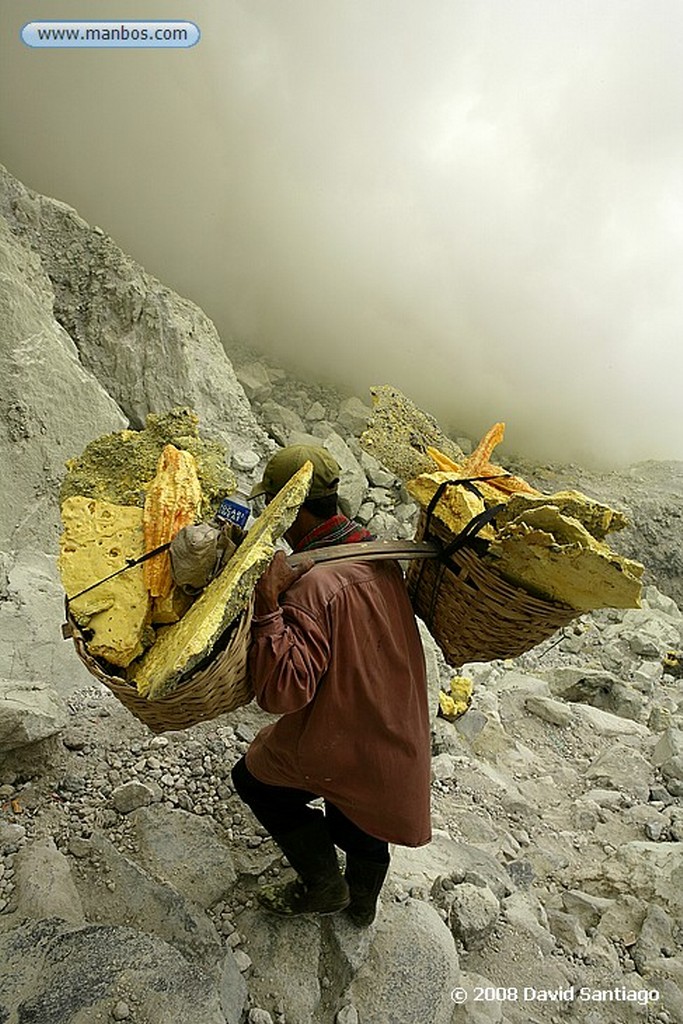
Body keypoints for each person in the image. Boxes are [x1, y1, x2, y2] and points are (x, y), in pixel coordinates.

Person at [231, 444, 431, 926]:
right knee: (364, 811)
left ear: (291, 509)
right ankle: (362, 905)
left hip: (340, 732)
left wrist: (267, 603)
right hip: (394, 728)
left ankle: (322, 884)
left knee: (254, 781)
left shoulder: (311, 586)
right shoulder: (377, 552)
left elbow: (283, 693)